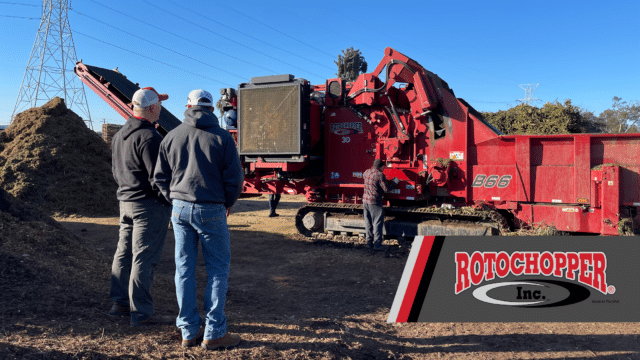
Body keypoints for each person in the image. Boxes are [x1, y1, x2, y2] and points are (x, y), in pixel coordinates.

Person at [153, 89, 244, 350]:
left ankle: (188, 331)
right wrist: (226, 202)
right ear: (212, 109)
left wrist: (174, 200)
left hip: (180, 209)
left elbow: (159, 176)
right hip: (212, 208)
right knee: (217, 269)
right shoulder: (223, 138)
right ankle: (214, 332)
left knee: (184, 269)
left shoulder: (172, 136)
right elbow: (235, 179)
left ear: (188, 106)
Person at [109, 87, 173, 326]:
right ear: (153, 108)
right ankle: (142, 312)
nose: (161, 110)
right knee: (144, 258)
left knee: (123, 253)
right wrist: (170, 200)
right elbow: (159, 178)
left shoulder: (119, 135)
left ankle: (120, 303)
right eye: (160, 105)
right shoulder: (150, 137)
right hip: (148, 205)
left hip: (125, 201)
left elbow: (115, 171)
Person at [362, 158, 399, 251]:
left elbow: (367, 179)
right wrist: (394, 183)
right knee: (377, 223)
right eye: (383, 167)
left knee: (368, 223)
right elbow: (386, 189)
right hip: (375, 202)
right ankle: (378, 245)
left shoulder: (366, 172)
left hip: (365, 201)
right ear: (381, 167)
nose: (384, 169)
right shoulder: (379, 175)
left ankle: (369, 243)